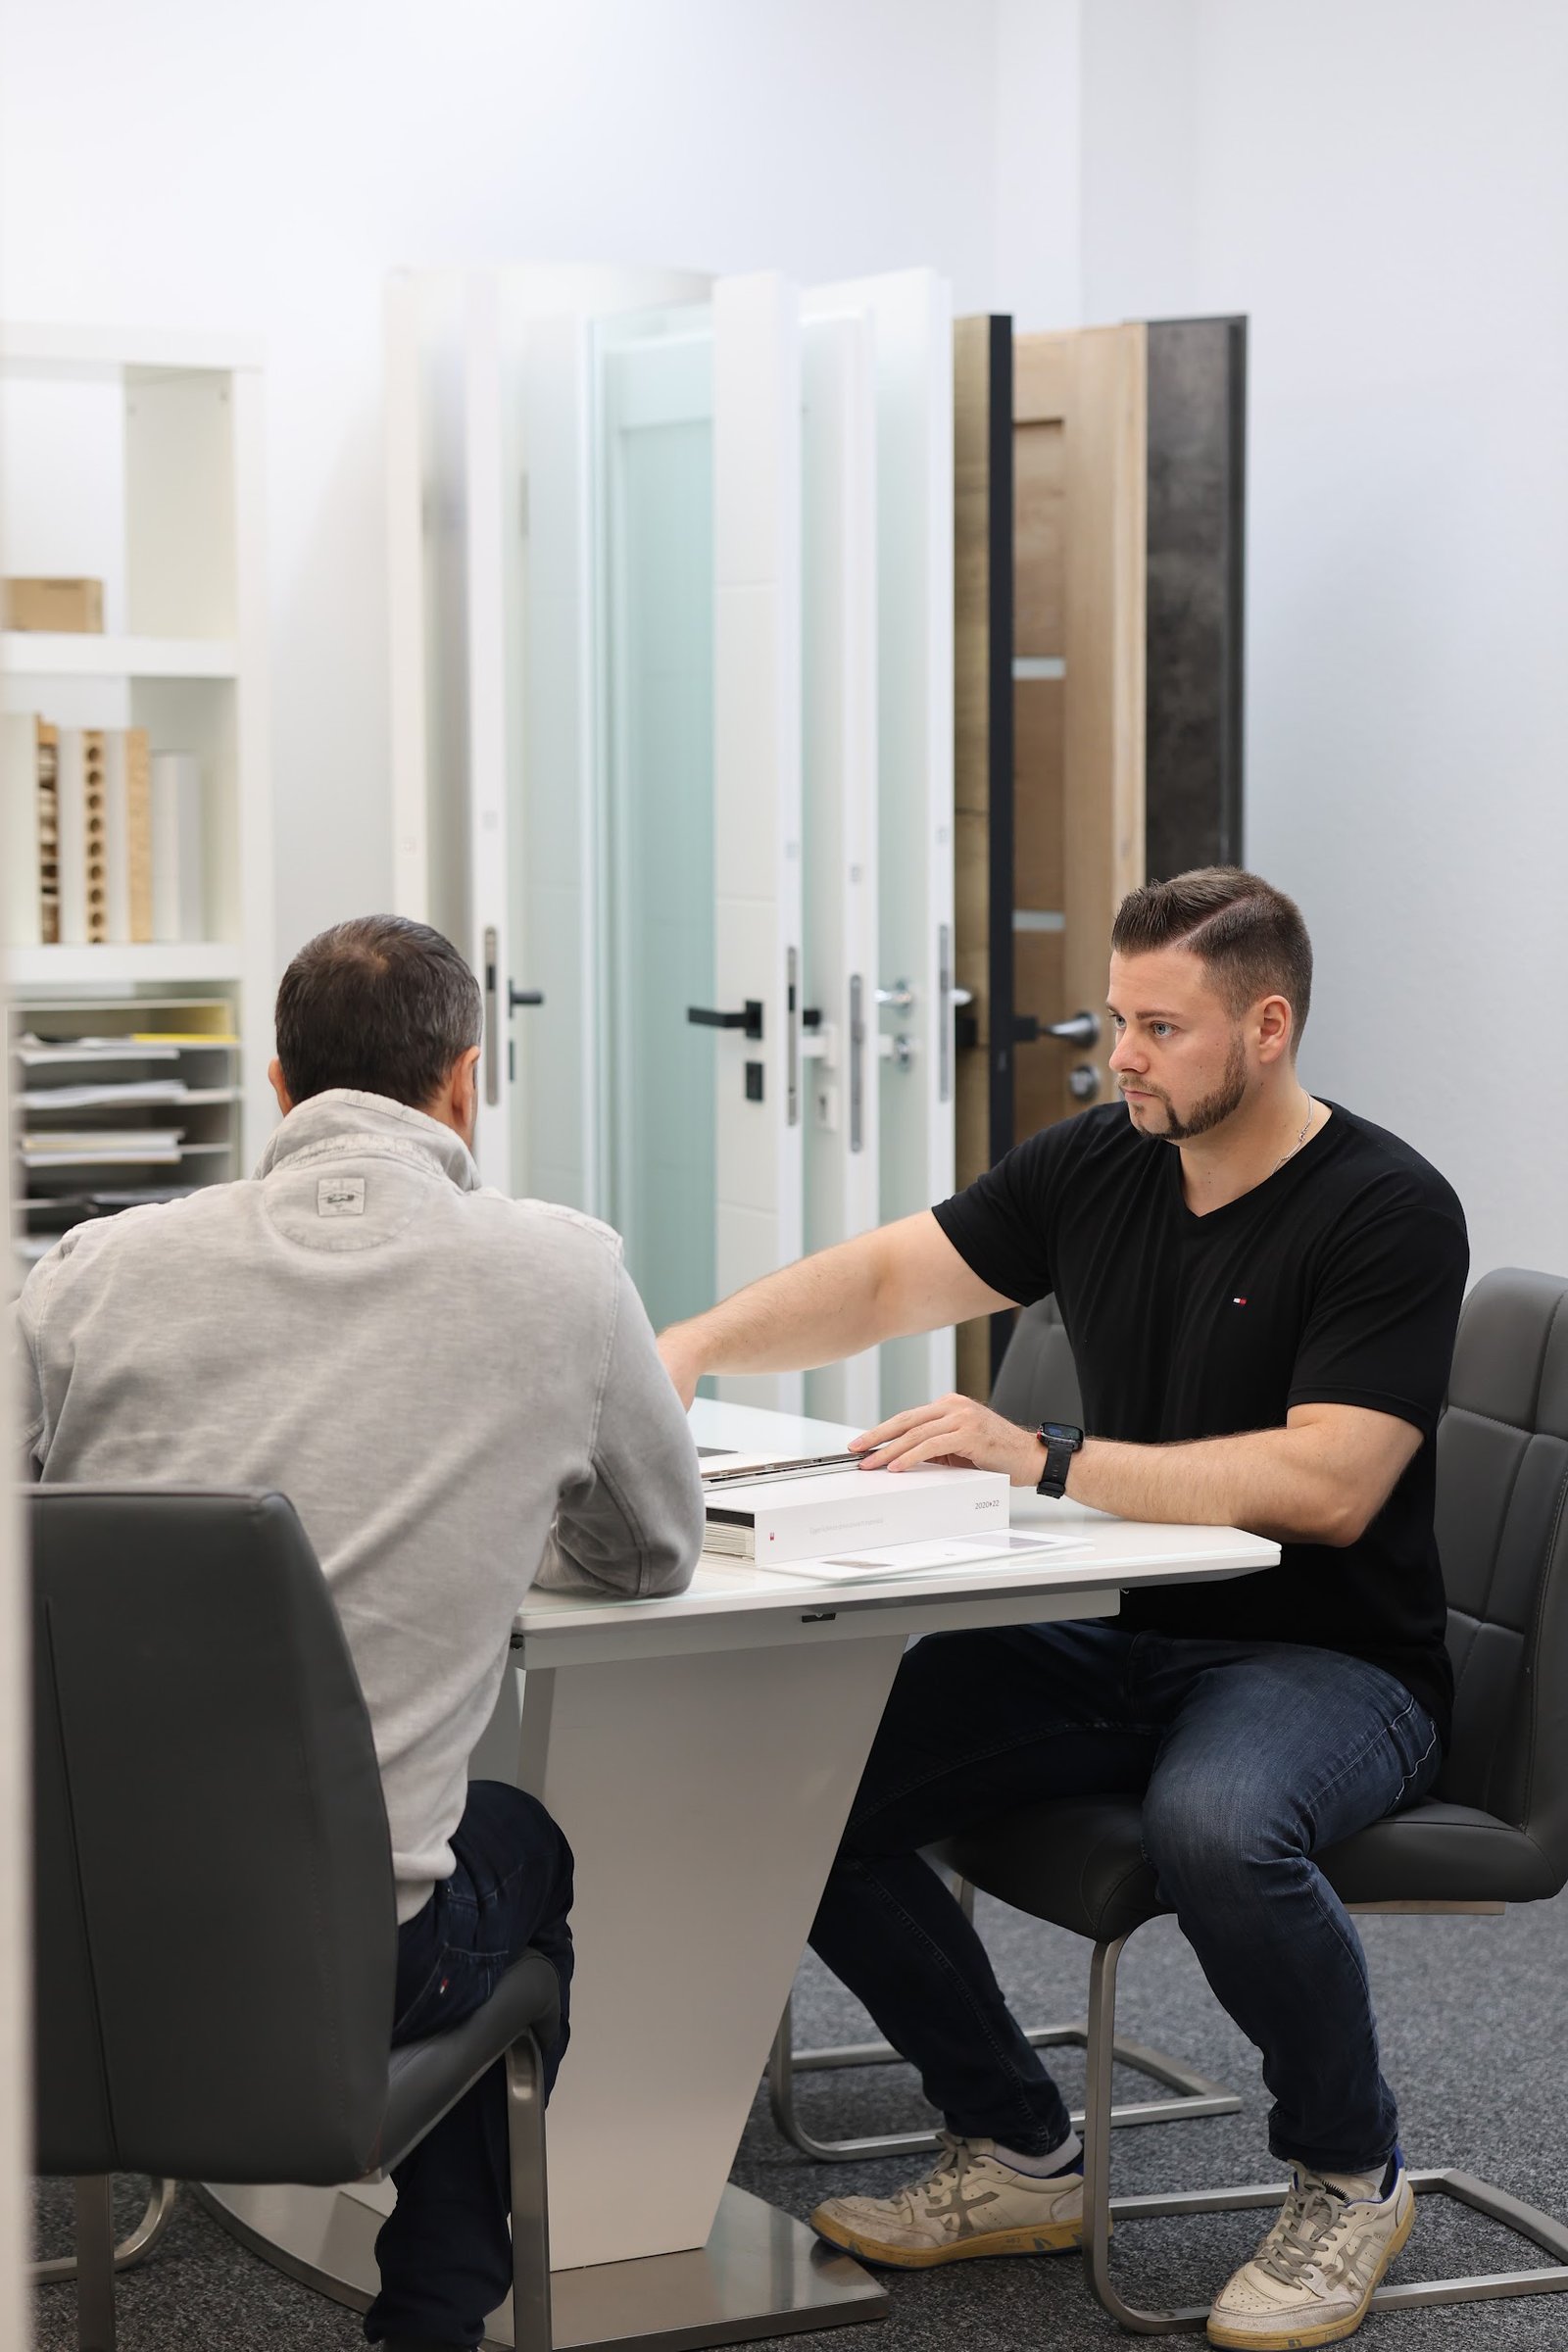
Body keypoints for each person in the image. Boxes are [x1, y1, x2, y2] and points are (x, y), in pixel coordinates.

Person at [659, 868, 1467, 2350]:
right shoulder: (1102, 1160)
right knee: (796, 1781)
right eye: (1115, 1018)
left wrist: (1048, 1458)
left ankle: (1351, 2175)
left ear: (1268, 1027)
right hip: (1125, 1630)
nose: (1124, 1057)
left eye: (1162, 1028)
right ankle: (1019, 2148)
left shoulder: (1387, 1209)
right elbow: (896, 1276)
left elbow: (1333, 1482)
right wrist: (697, 1341)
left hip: (1331, 1659)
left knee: (1215, 1827)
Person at [18, 914, 706, 2352]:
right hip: (351, 1967)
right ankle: (432, 2319)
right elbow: (650, 1554)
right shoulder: (565, 1274)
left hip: (66, 1937)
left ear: (277, 1087)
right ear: (467, 1084)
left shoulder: (87, 1273)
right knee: (515, 1843)